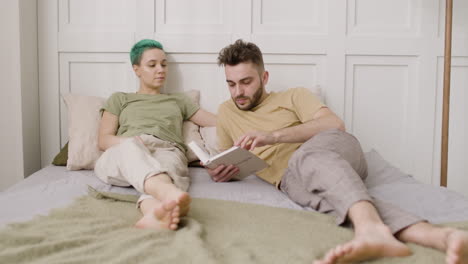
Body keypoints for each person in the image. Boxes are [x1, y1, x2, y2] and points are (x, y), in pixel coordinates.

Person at [206, 39, 468, 264]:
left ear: (264, 77)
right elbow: (231, 154)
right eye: (231, 84)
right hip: (288, 180)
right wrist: (225, 171)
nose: (238, 92)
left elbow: (334, 124)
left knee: (307, 158)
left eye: (246, 82)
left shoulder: (294, 96)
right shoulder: (226, 112)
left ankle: (369, 230)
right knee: (333, 202)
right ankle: (441, 237)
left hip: (331, 149)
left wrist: (272, 137)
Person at [94, 39, 216, 231]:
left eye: (164, 64)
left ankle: (153, 212)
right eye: (152, 65)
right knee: (133, 152)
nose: (161, 69)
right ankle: (169, 192)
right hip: (125, 150)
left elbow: (216, 122)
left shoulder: (179, 100)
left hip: (166, 149)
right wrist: (132, 141)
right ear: (136, 69)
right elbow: (104, 139)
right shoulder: (120, 98)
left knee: (168, 166)